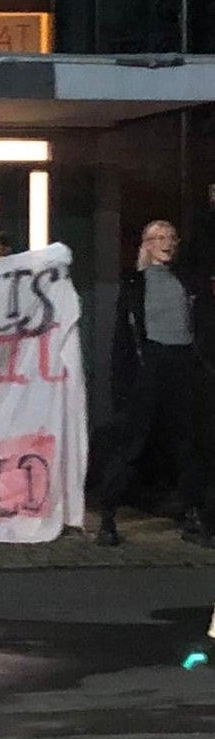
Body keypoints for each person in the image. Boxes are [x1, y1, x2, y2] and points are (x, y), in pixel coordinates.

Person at [98, 220, 213, 546]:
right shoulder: (135, 282)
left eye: (170, 237)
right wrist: (122, 382)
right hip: (150, 363)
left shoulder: (188, 280)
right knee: (131, 445)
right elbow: (123, 338)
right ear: (146, 244)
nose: (166, 243)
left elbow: (202, 325)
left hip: (184, 365)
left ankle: (193, 516)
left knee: (187, 444)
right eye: (158, 237)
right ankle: (108, 518)